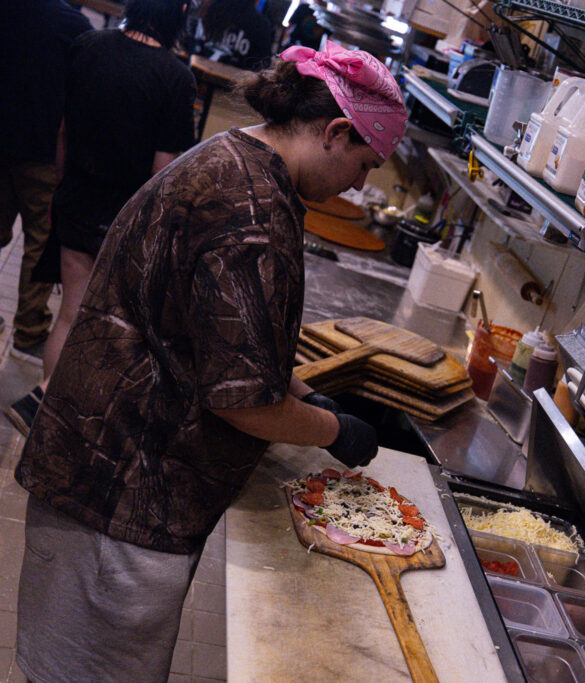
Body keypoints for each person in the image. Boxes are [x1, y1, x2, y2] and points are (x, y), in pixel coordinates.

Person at [14, 40, 406, 681]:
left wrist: (306, 394)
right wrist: (338, 431)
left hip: (104, 464)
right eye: (366, 164)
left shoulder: (235, 155)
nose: (360, 184)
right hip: (121, 492)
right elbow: (243, 401)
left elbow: (205, 336)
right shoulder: (248, 215)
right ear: (336, 132)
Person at [5, 0, 197, 437]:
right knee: (109, 325)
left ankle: (48, 402)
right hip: (126, 217)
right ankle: (50, 408)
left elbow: (63, 131)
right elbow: (162, 170)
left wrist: (62, 186)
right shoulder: (175, 78)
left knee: (70, 314)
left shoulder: (87, 46)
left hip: (76, 197)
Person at [0, 1, 90, 354]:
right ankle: (29, 327)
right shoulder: (76, 27)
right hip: (43, 149)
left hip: (1, 141)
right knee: (39, 241)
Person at [188, 0, 275, 70]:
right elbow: (262, 67)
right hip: (231, 88)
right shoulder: (260, 25)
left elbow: (186, 42)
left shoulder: (206, 8)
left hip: (193, 78)